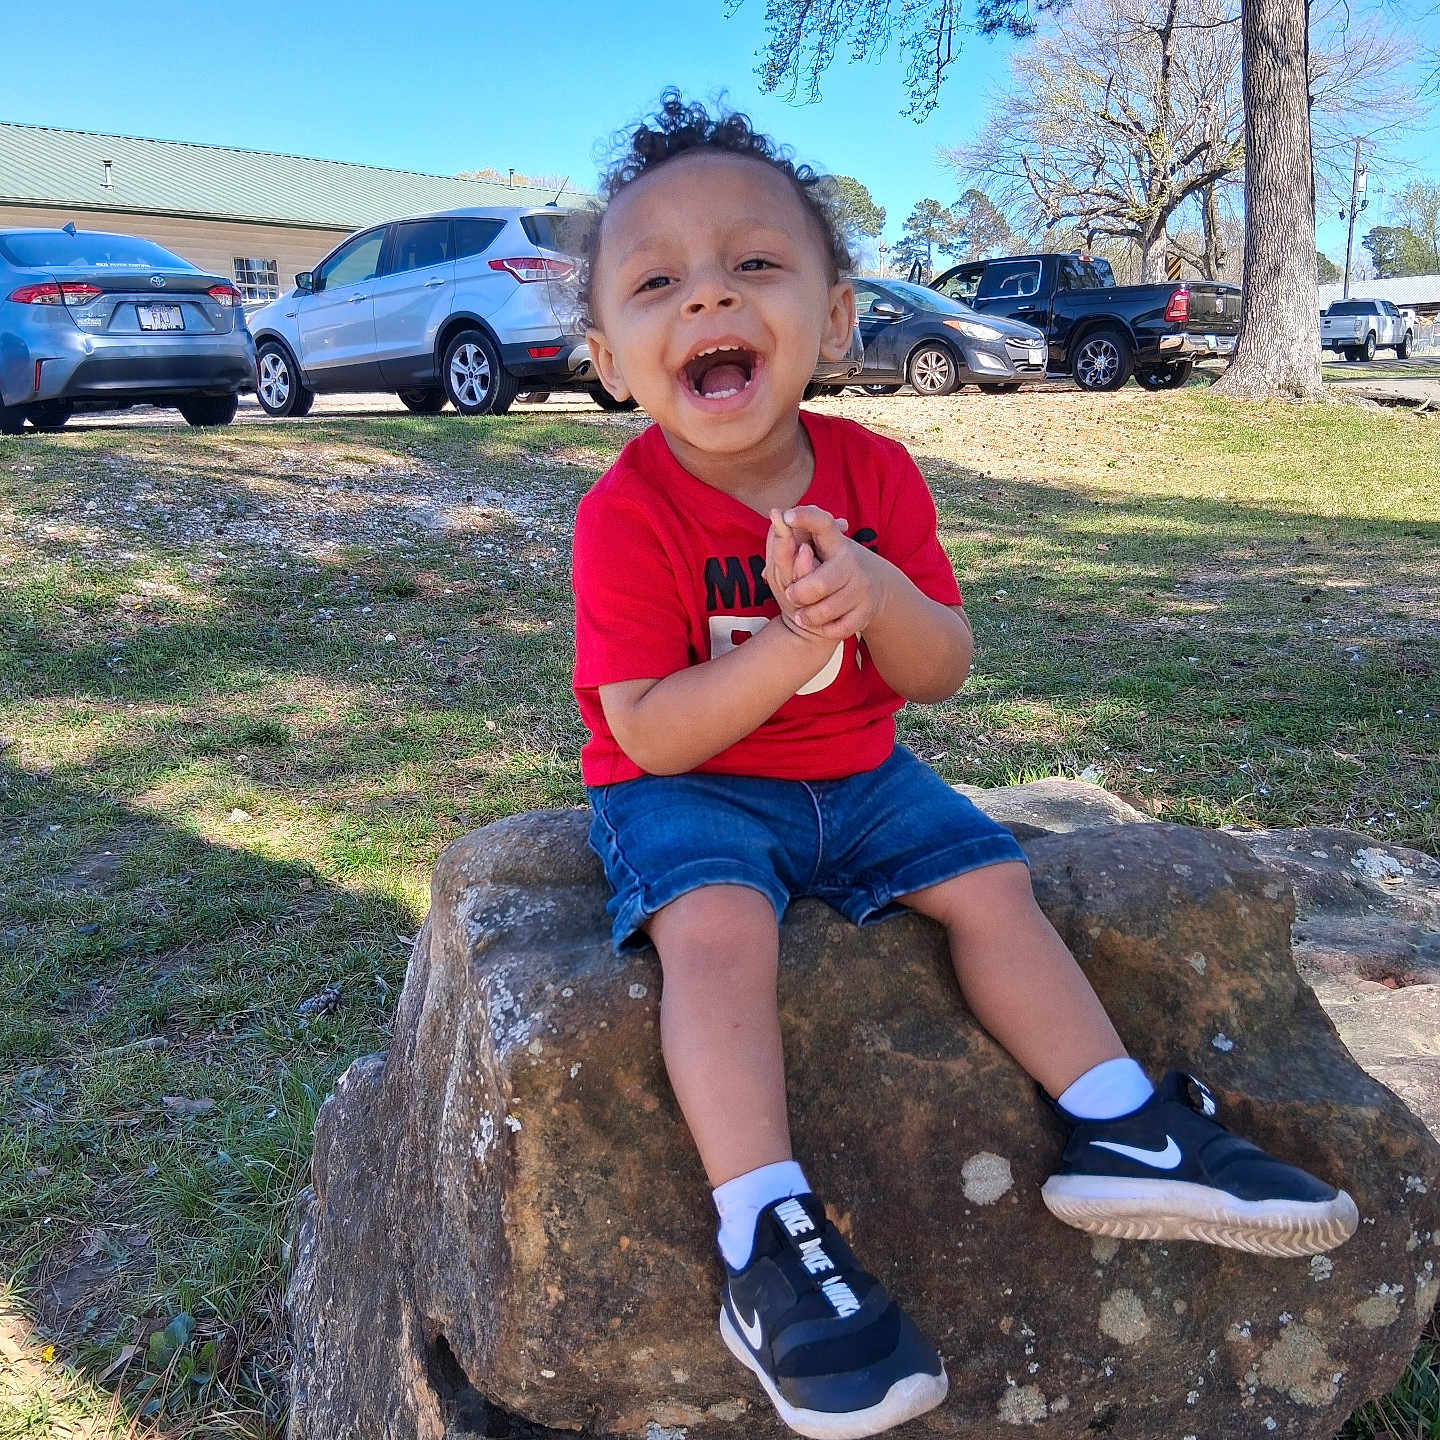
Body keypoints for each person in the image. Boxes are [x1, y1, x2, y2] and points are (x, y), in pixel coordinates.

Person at [569, 91, 1359, 1440]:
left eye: (754, 265)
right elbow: (647, 729)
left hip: (866, 777)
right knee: (715, 934)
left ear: (834, 320)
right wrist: (776, 656)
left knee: (994, 888)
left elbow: (941, 667)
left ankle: (1122, 1126)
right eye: (658, 283)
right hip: (687, 793)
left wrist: (871, 592)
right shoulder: (625, 511)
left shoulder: (876, 479)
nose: (707, 300)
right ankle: (767, 1238)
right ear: (606, 358)